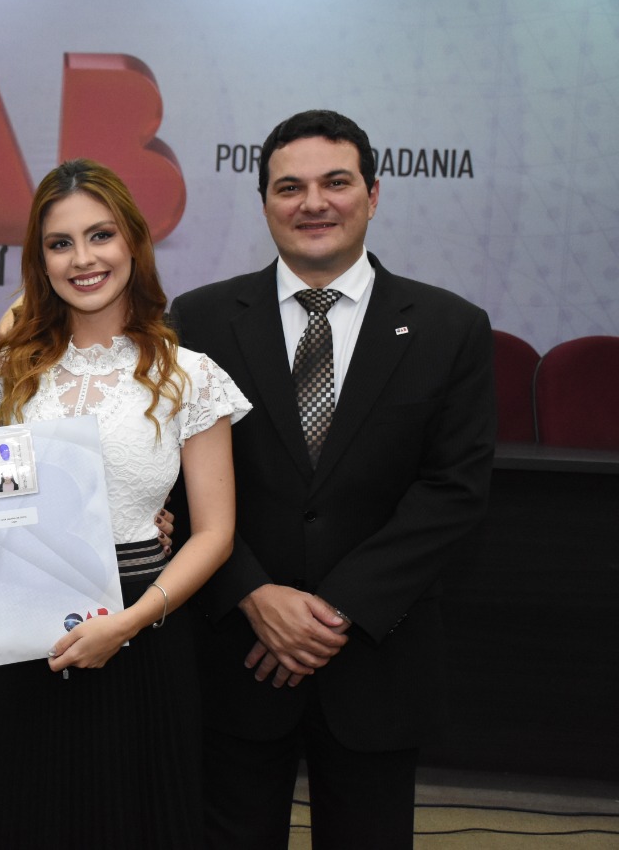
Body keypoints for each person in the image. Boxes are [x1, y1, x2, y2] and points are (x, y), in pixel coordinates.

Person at [169, 110, 496, 849]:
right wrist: (252, 594)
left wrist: (337, 609)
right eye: (289, 187)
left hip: (377, 660)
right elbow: (173, 482)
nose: (313, 203)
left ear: (373, 195)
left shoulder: (450, 328)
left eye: (336, 183)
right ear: (264, 203)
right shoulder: (201, 322)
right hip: (236, 653)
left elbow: (454, 490)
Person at [0, 159, 250, 848]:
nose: (82, 259)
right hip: (30, 637)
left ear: (133, 242)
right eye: (60, 243)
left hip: (148, 633)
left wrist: (128, 624)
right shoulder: (6, 374)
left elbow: (215, 534)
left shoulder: (190, 376)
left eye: (100, 235)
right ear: (39, 261)